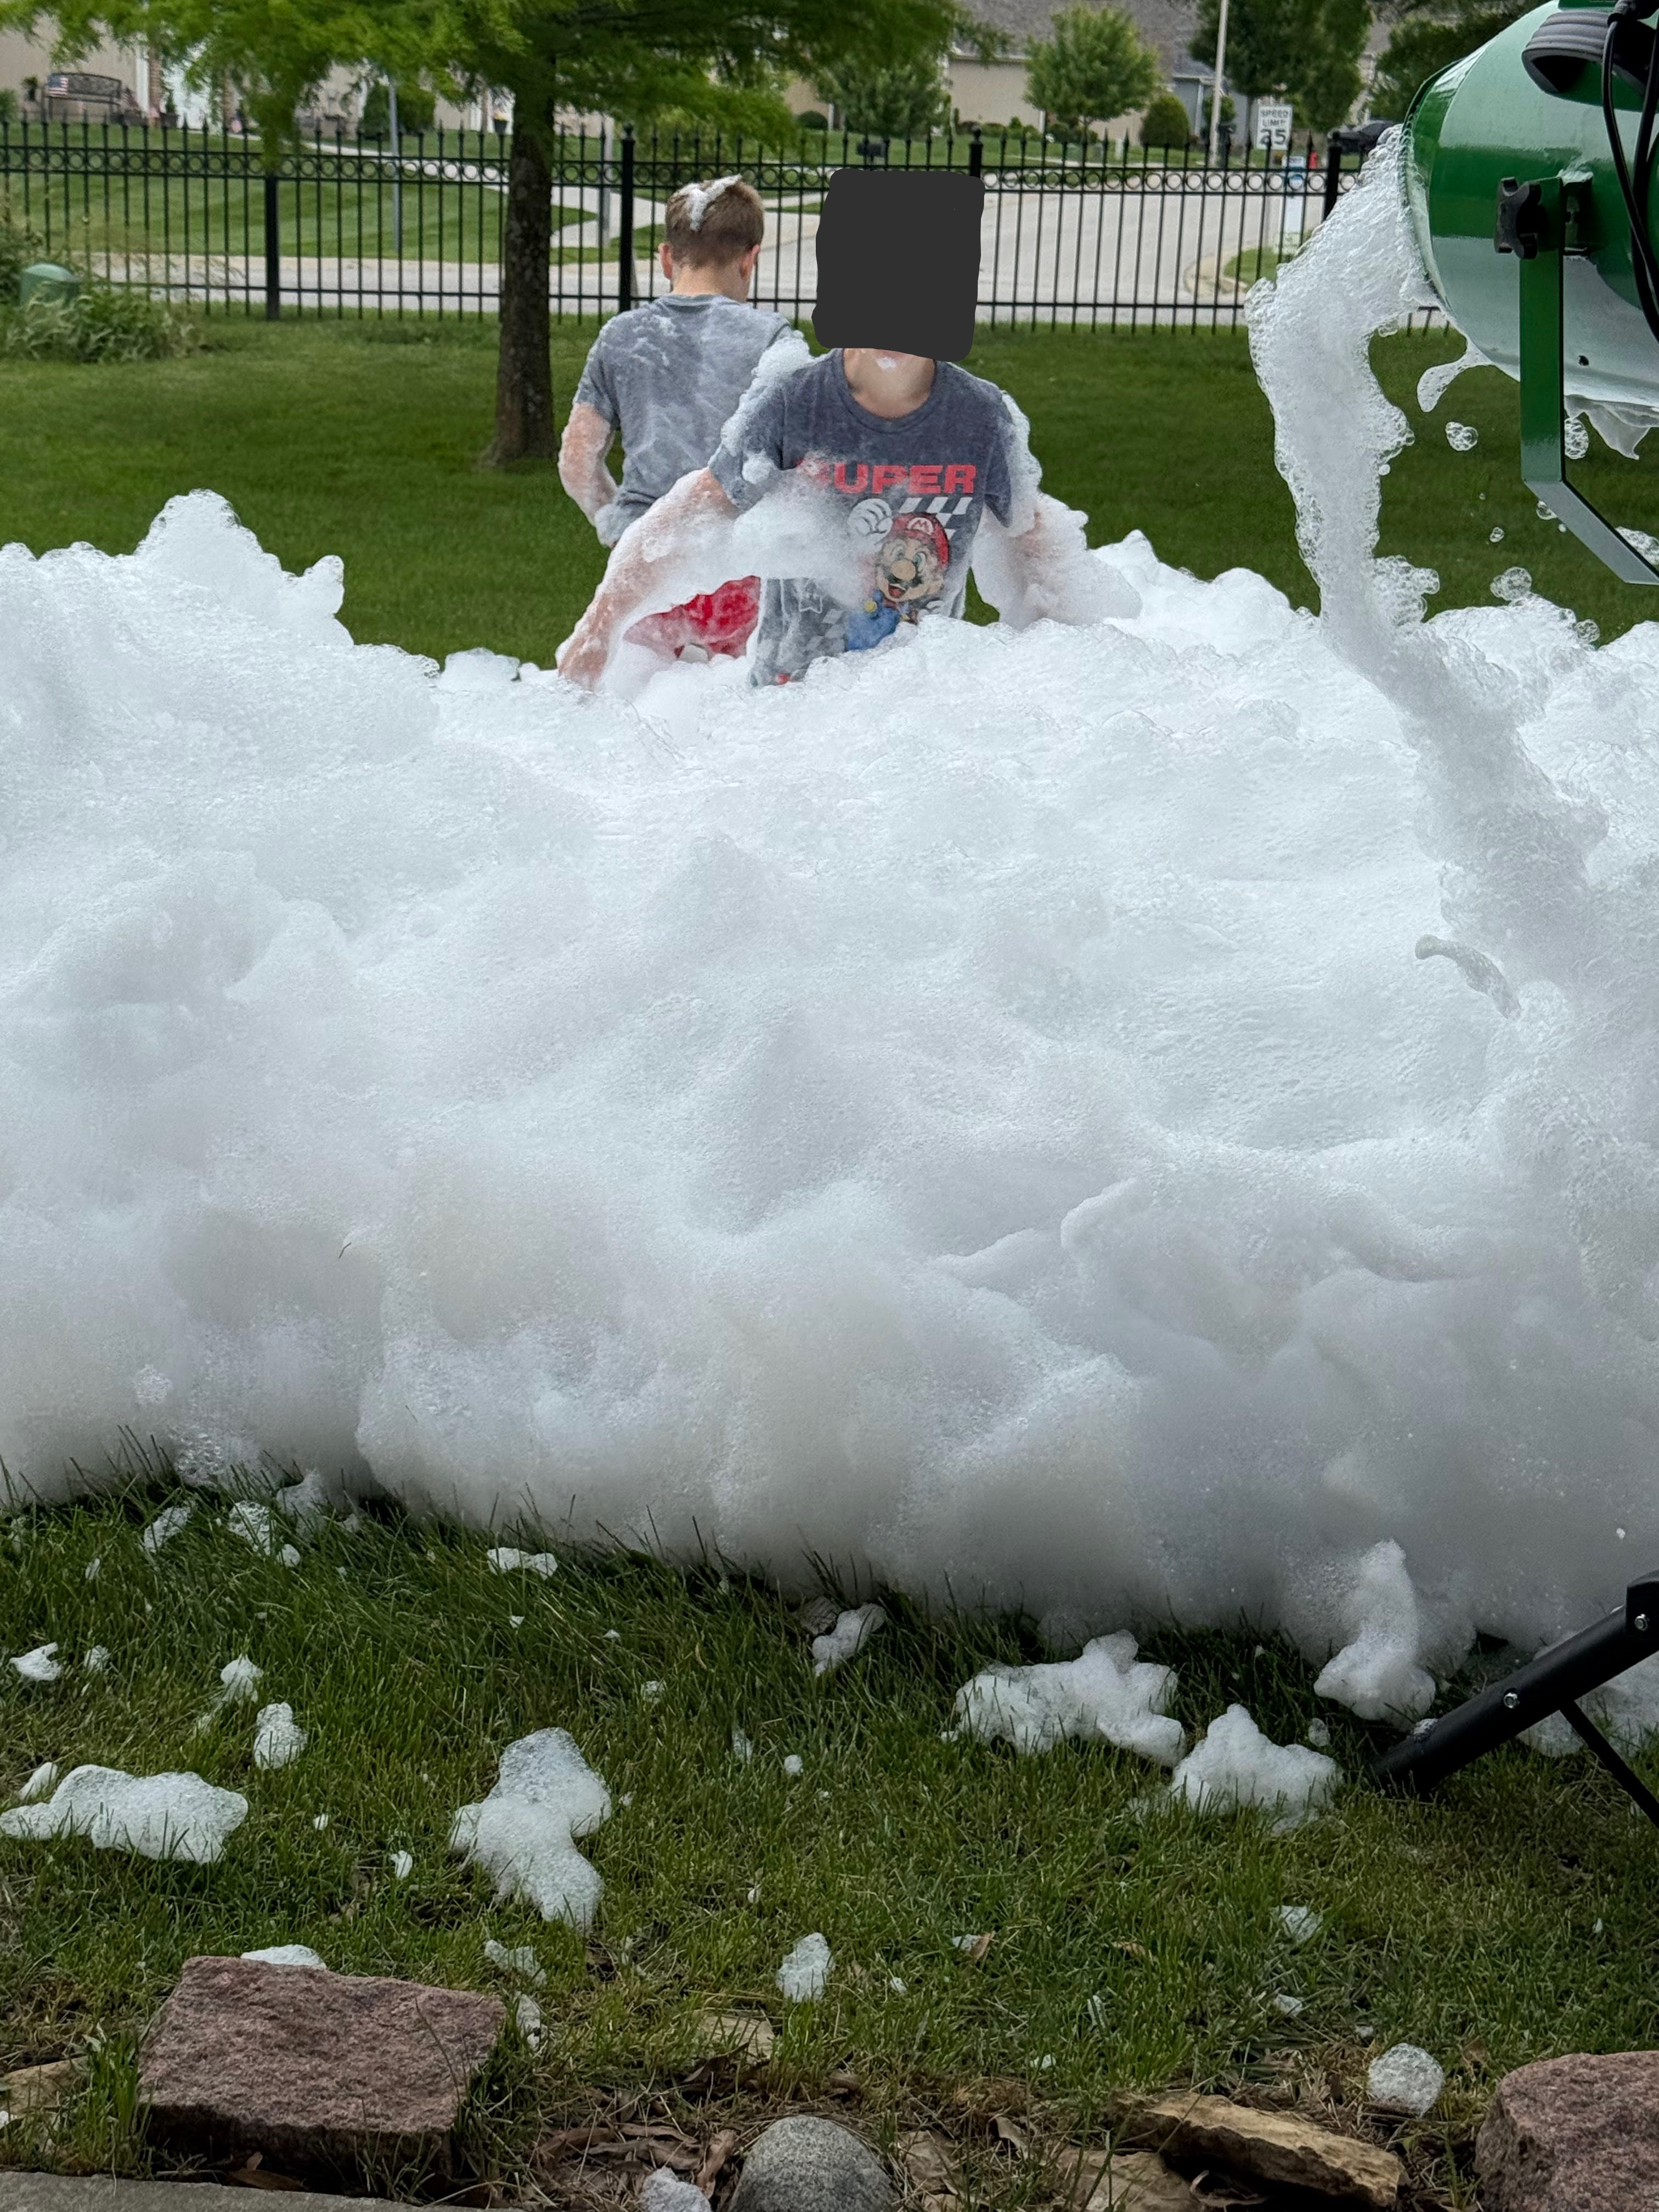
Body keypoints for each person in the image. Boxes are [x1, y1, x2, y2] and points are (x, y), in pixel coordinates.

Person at [557, 172, 1120, 692]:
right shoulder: (792, 402)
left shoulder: (980, 417)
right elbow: (688, 516)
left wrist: (1070, 657)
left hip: (917, 698)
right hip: (793, 701)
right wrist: (599, 627)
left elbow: (1035, 539)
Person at [558, 176, 793, 664]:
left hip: (647, 564)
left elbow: (577, 460)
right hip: (738, 566)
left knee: (645, 706)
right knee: (731, 714)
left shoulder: (622, 336)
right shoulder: (770, 339)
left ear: (667, 257)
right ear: (750, 260)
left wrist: (615, 521)